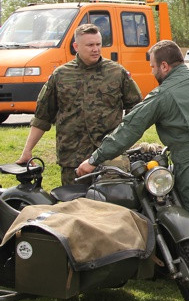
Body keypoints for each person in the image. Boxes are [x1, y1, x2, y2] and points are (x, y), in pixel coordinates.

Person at [76, 40, 189, 301]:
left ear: (164, 65)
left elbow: (129, 129)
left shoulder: (163, 94)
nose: (152, 71)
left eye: (153, 66)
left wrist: (94, 160)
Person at [17, 24, 142, 186]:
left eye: (98, 44)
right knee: (73, 206)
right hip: (72, 158)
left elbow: (137, 109)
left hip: (109, 157)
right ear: (76, 46)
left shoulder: (117, 73)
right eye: (90, 45)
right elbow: (42, 116)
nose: (95, 49)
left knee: (113, 206)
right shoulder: (61, 75)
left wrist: (122, 139)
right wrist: (27, 150)